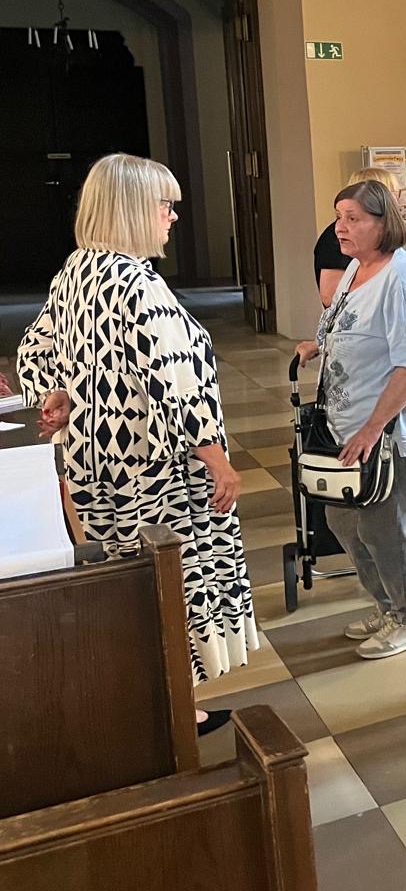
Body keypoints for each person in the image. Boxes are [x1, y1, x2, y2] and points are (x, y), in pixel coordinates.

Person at [16, 153, 256, 736]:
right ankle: (176, 707)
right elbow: (175, 380)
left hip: (94, 465)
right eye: (164, 205)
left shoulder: (76, 270)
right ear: (129, 209)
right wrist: (217, 458)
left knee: (124, 584)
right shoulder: (137, 283)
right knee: (175, 583)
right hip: (153, 470)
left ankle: (144, 694)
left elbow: (35, 352)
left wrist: (58, 396)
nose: (173, 217)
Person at [294, 180, 406, 660]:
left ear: (384, 222)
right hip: (345, 425)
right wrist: (321, 345)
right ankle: (388, 605)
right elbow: (349, 322)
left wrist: (371, 429)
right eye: (339, 216)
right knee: (344, 520)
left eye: (354, 218)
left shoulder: (402, 277)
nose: (341, 227)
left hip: (386, 431)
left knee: (390, 527)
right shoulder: (358, 265)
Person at [314, 165, 404, 309]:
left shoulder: (400, 268)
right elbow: (330, 296)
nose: (397, 200)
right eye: (392, 192)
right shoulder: (337, 238)